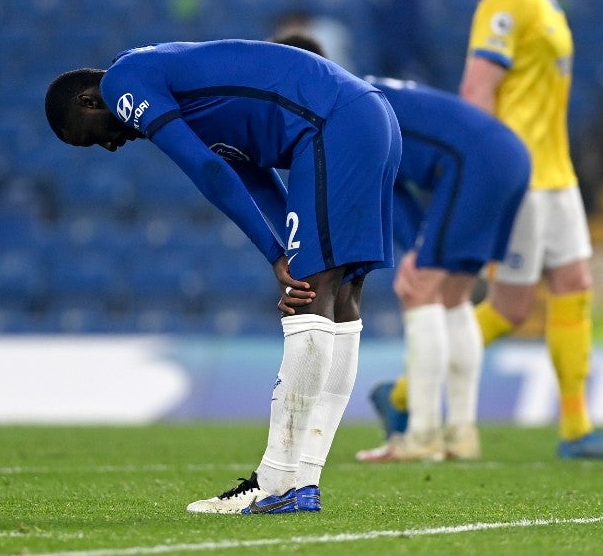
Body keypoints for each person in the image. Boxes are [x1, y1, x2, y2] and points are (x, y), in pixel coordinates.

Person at [45, 39, 401, 513]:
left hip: (331, 123)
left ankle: (276, 482)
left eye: (92, 136)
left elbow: (206, 169)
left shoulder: (122, 82)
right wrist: (288, 251)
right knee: (340, 293)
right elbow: (249, 168)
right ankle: (303, 481)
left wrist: (277, 253)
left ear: (91, 101)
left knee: (312, 292)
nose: (109, 146)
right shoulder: (180, 88)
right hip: (368, 118)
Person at [364, 0, 603, 462]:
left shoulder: (547, 4)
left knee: (573, 284)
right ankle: (402, 396)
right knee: (510, 307)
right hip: (520, 173)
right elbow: (477, 88)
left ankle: (577, 430)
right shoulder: (506, 1)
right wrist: (480, 174)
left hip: (558, 173)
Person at [273, 34, 529, 462]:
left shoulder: (341, 112)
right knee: (453, 295)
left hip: (475, 163)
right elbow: (392, 179)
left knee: (418, 289)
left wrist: (415, 249)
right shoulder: (366, 92)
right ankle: (461, 432)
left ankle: (423, 435)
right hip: (509, 155)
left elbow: (380, 182)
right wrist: (416, 247)